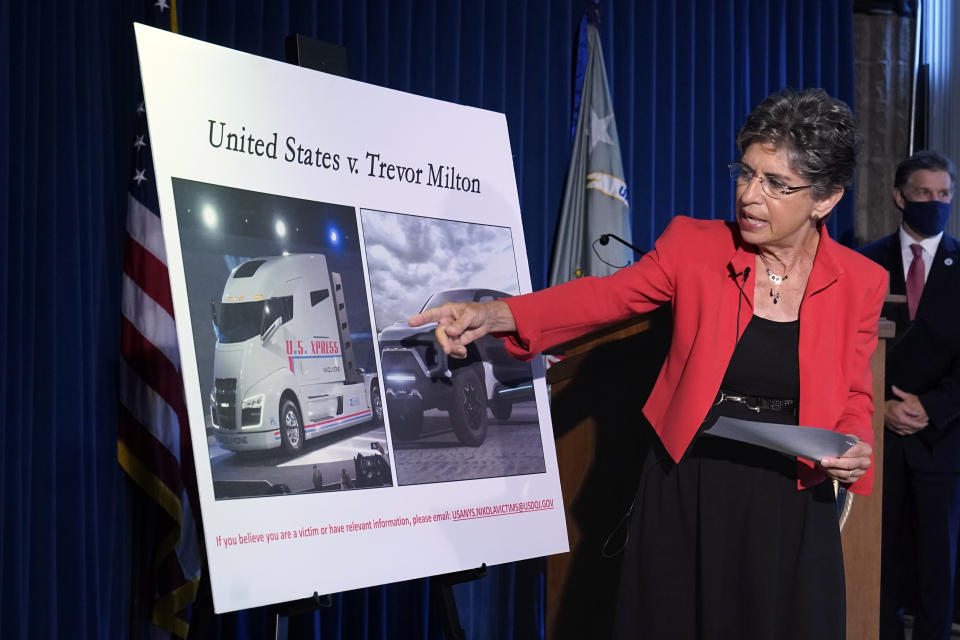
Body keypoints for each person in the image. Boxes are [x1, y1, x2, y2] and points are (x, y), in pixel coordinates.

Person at [411, 88, 887, 639]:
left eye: (776, 184)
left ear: (825, 199)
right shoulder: (695, 245)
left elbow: (853, 393)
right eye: (746, 173)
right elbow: (602, 298)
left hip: (788, 497)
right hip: (690, 481)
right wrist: (494, 314)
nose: (750, 196)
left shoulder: (861, 281)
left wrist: (851, 444)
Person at [860, 150, 960, 640]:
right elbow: (842, 349)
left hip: (942, 442)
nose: (935, 203)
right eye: (924, 194)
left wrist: (931, 406)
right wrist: (880, 407)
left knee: (938, 572)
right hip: (877, 441)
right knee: (880, 562)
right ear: (901, 197)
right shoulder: (862, 261)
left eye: (944, 195)